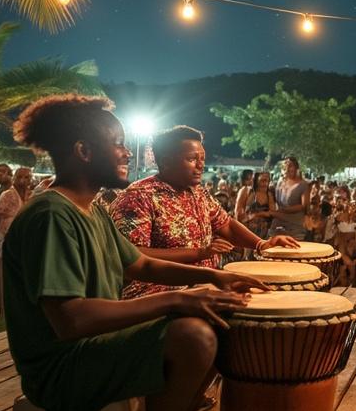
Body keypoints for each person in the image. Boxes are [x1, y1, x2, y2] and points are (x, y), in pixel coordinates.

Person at [3, 95, 267, 411]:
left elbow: (140, 264)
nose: (128, 152)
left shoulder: (92, 209)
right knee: (194, 335)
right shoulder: (52, 216)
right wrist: (178, 299)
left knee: (218, 318)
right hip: (61, 369)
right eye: (118, 143)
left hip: (92, 348)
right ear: (84, 151)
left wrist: (214, 279)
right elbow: (71, 320)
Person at [112, 126, 300, 300]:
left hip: (205, 282)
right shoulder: (138, 196)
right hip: (156, 292)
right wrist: (199, 253)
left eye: (202, 158)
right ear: (165, 161)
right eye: (192, 159)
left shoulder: (198, 192)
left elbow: (226, 225)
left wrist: (261, 244)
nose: (201, 165)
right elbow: (133, 256)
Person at [0, 167, 32, 303]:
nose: (22, 180)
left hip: (25, 237)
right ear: (14, 178)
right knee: (2, 272)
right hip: (5, 236)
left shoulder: (32, 195)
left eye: (26, 177)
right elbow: (1, 215)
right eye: (19, 177)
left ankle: (19, 301)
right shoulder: (7, 194)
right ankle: (3, 303)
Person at [271, 157, 310, 240]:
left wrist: (285, 210)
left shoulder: (303, 185)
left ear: (296, 168)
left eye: (290, 166)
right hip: (278, 221)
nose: (287, 168)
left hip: (295, 224)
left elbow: (303, 205)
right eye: (285, 166)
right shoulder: (280, 182)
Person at [236, 171, 277, 240]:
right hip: (246, 233)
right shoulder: (246, 191)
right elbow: (238, 214)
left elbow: (273, 213)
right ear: (256, 180)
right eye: (263, 180)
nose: (266, 183)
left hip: (263, 235)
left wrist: (257, 214)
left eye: (268, 180)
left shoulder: (269, 195)